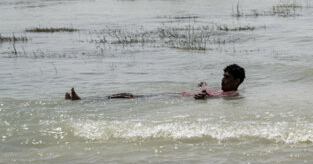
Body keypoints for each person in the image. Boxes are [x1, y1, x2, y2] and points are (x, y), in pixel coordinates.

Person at [64, 64, 245, 101]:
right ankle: (84, 99)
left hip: (173, 98)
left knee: (129, 96)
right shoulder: (223, 91)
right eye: (223, 76)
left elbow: (210, 97)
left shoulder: (232, 94)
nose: (223, 79)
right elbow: (207, 89)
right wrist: (204, 85)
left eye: (227, 77)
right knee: (128, 96)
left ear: (237, 81)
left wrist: (202, 96)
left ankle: (83, 100)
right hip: (175, 95)